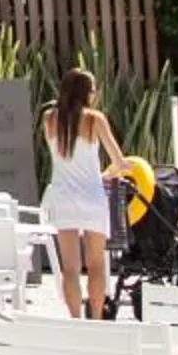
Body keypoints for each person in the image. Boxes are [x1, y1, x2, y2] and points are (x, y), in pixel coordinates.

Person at [39, 64, 128, 320]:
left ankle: (75, 319)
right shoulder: (94, 119)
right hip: (92, 197)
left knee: (70, 269)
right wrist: (117, 170)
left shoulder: (50, 119)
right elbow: (118, 161)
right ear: (87, 92)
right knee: (97, 266)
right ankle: (97, 318)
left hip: (63, 197)